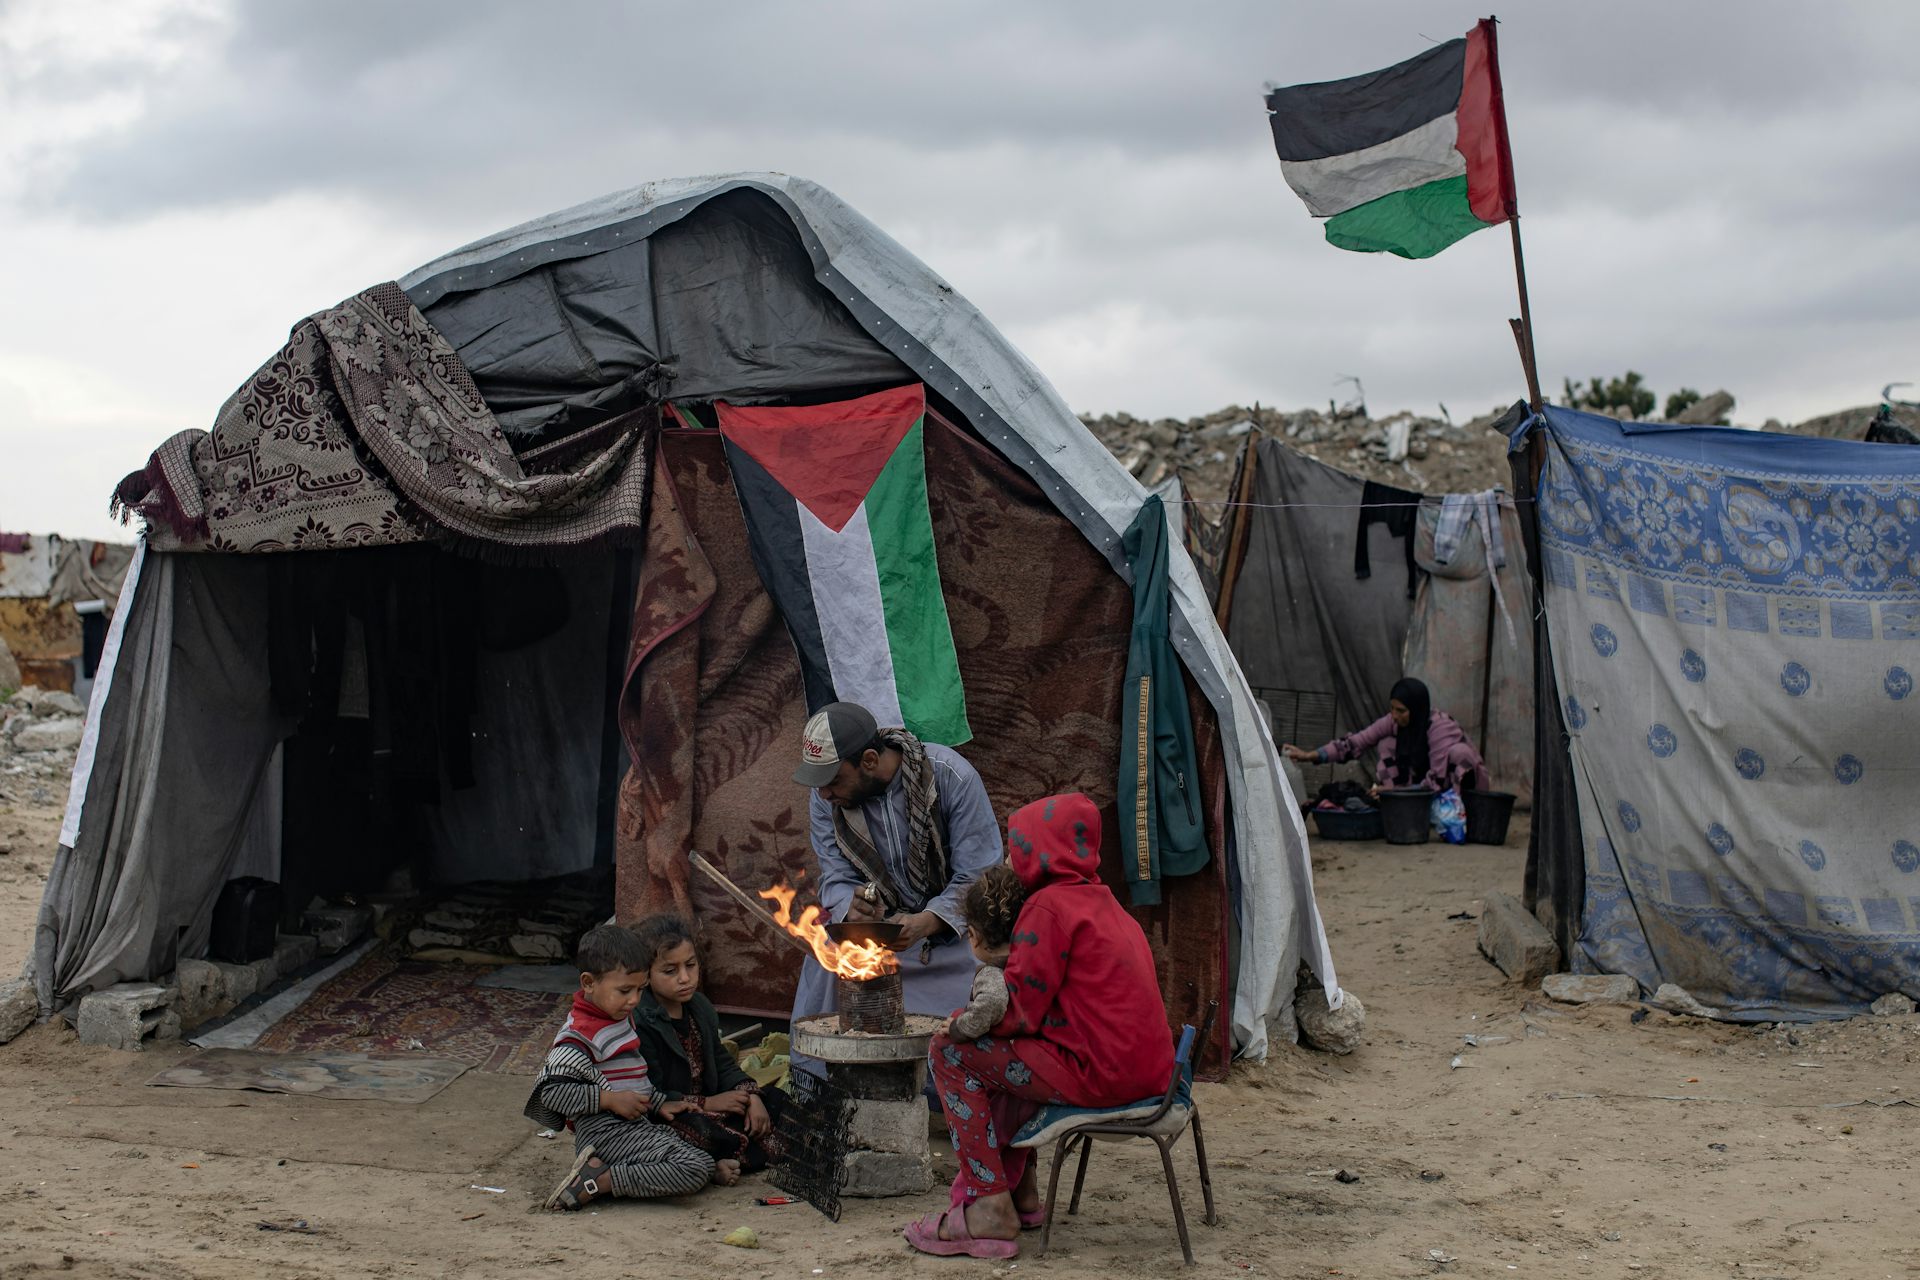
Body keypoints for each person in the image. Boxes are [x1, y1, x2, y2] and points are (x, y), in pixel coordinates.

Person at [905, 793, 1175, 1260]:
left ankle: (989, 1206)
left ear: (1042, 850)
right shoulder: (1101, 897)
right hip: (1148, 1070)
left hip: (1100, 1075)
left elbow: (1019, 1015)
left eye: (1017, 847)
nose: (1011, 858)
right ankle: (1022, 1195)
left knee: (949, 1054)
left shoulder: (1048, 908)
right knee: (1005, 1065)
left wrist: (959, 1024)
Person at [788, 701, 1003, 1038]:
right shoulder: (824, 798)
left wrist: (927, 922)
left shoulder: (949, 776)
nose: (824, 793)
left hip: (950, 936)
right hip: (875, 939)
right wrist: (852, 906)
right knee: (824, 960)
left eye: (832, 780)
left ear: (869, 761)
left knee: (986, 975)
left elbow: (979, 876)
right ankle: (820, 1084)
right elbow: (835, 875)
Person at [526, 924, 719, 1210]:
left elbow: (630, 1077)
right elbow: (551, 1094)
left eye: (640, 990)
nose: (634, 1000)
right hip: (605, 1132)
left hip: (631, 1125)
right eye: (625, 990)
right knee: (695, 1168)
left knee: (702, 1143)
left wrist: (657, 1103)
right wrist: (609, 1100)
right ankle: (599, 1181)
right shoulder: (580, 1036)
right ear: (589, 983)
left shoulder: (617, 1019)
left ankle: (603, 1170)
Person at [630, 913, 791, 1173]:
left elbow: (723, 1062)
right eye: (670, 971)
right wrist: (709, 1104)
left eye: (690, 965)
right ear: (646, 975)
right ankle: (719, 1162)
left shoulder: (700, 1007)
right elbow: (650, 1092)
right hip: (674, 1113)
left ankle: (742, 1155)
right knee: (700, 1131)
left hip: (716, 1105)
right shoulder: (642, 1020)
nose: (684, 977)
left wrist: (751, 1096)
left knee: (779, 1100)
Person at [1282, 676, 1490, 795]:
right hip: (1421, 789)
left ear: (1416, 709)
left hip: (1448, 789)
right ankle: (1401, 804)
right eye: (1392, 708)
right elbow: (1355, 743)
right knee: (1386, 744)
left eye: (1401, 710)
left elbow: (1437, 779)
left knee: (1459, 753)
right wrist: (1311, 755)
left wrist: (1396, 793)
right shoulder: (1393, 722)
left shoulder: (1440, 727)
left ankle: (1463, 810)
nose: (1394, 715)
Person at [946, 863, 1029, 1041]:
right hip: (1035, 1041)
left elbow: (993, 1001)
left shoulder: (992, 973)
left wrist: (958, 1027)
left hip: (1013, 1048)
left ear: (973, 935)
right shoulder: (1030, 959)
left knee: (941, 1044)